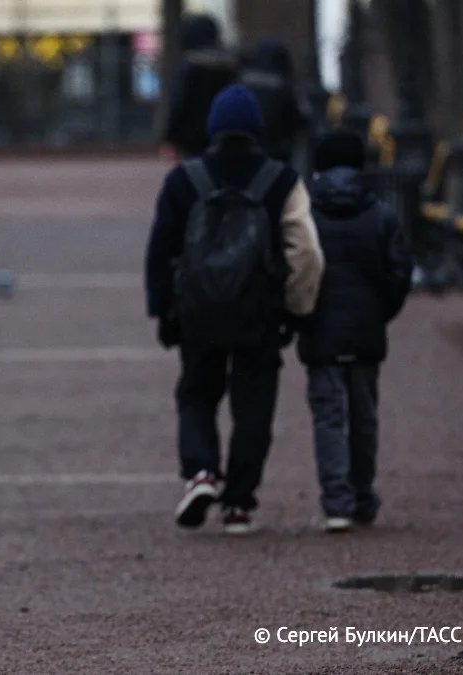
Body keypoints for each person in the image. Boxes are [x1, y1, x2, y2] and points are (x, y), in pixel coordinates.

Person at [145, 84, 325, 534]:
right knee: (254, 405)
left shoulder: (184, 181)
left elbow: (160, 251)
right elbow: (305, 252)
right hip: (259, 312)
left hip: (198, 313)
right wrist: (296, 310)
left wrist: (164, 311)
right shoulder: (280, 180)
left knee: (196, 394)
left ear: (212, 129)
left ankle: (201, 472)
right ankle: (239, 503)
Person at [297, 129, 412, 532]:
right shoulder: (381, 213)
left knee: (329, 416)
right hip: (365, 331)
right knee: (364, 417)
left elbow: (295, 268)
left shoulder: (306, 213)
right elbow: (399, 274)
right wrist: (379, 313)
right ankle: (362, 494)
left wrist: (300, 314)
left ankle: (337, 501)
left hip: (320, 329)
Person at [161, 14, 241, 160]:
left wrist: (170, 137)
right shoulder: (232, 65)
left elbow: (180, 104)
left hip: (194, 139)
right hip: (228, 134)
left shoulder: (190, 67)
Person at [239, 38, 311, 163]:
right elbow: (303, 117)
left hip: (246, 150)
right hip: (277, 153)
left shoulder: (243, 80)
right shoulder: (287, 84)